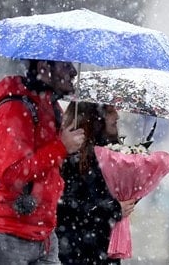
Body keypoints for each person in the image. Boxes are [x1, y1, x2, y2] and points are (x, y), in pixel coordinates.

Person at [0, 60, 85, 264]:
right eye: (65, 65)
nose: (72, 71)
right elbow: (11, 174)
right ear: (44, 66)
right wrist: (60, 147)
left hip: (43, 237)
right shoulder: (14, 109)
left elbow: (47, 169)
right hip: (6, 237)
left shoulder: (51, 108)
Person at [57, 102, 136, 265]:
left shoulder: (112, 154)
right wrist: (113, 209)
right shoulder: (72, 156)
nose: (117, 115)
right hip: (76, 252)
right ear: (93, 116)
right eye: (110, 110)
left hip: (104, 250)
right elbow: (65, 206)